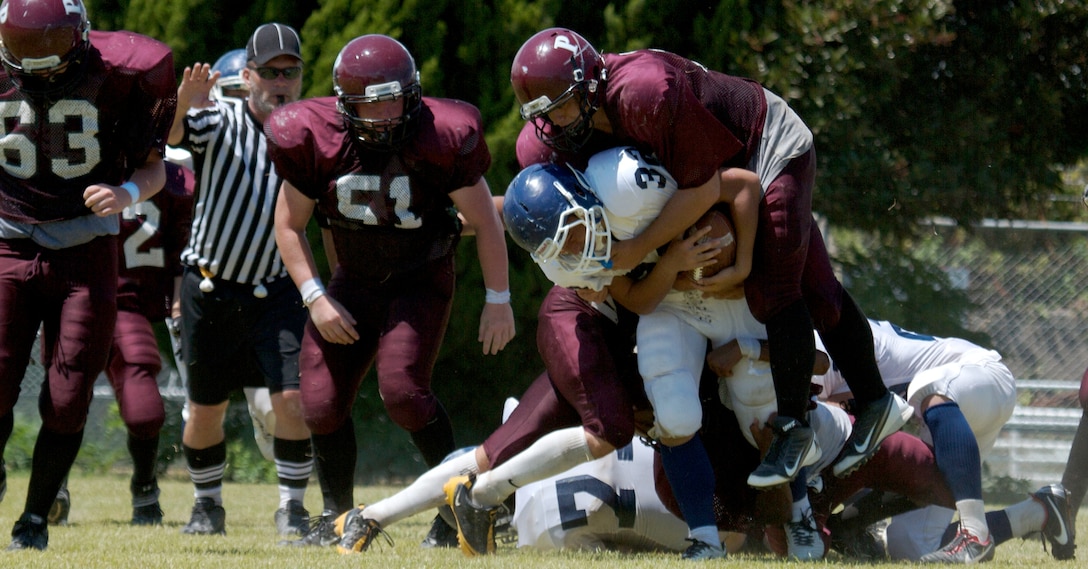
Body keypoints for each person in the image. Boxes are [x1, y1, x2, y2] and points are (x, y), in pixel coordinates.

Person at [510, 28, 911, 492]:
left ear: (590, 81)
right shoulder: (547, 143)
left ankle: (793, 428)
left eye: (562, 103)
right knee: (817, 291)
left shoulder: (643, 93)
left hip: (763, 144)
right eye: (544, 113)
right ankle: (878, 401)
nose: (556, 122)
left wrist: (641, 250)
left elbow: (707, 185)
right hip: (717, 174)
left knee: (775, 291)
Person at [266, 34, 516, 546]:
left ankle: (460, 505)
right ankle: (338, 519)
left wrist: (498, 299)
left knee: (402, 391)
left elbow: (486, 220)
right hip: (353, 282)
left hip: (421, 277)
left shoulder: (442, 133)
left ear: (413, 93)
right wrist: (316, 296)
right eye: (370, 101)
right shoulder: (313, 136)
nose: (383, 113)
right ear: (343, 104)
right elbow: (288, 226)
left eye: (393, 97)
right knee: (319, 400)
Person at [0, 0, 175, 550]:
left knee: (70, 395)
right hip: (6, 240)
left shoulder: (124, 72)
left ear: (80, 40)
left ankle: (34, 519)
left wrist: (125, 194)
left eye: (48, 57)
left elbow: (153, 165)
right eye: (22, 56)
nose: (37, 70)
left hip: (85, 249)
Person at [169, 22, 313, 538]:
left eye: (290, 71)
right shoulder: (220, 120)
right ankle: (207, 506)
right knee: (206, 410)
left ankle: (293, 508)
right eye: (270, 72)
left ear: (300, 76)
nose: (280, 81)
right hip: (211, 286)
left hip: (276, 290)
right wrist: (183, 102)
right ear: (247, 75)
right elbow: (169, 135)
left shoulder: (308, 133)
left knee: (293, 401)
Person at [49, 161, 195, 527]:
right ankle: (54, 487)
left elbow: (183, 245)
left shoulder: (173, 178)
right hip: (70, 300)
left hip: (127, 305)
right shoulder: (68, 160)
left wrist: (178, 297)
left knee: (145, 410)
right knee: (63, 400)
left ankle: (145, 488)